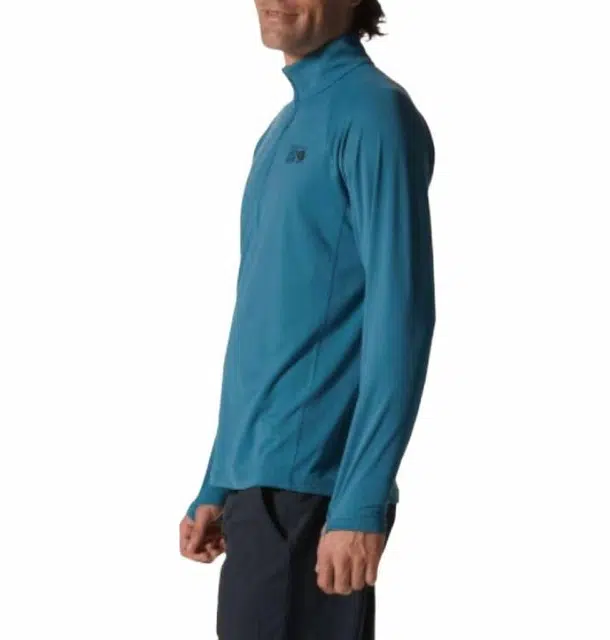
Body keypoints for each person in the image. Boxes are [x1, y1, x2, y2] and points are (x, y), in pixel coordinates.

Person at [179, 1, 436, 637]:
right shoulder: (283, 128)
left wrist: (361, 499)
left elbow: (402, 314)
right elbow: (261, 323)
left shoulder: (374, 113)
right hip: (260, 490)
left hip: (315, 495)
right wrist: (220, 478)